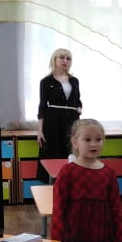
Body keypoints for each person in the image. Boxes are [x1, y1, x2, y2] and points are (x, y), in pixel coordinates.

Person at [37, 47, 82, 182]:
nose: (65, 61)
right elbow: (42, 106)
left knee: (70, 152)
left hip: (72, 122)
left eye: (68, 58)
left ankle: (69, 182)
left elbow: (78, 100)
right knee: (53, 152)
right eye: (61, 58)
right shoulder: (46, 82)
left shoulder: (74, 80)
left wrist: (79, 109)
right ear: (54, 60)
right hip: (52, 122)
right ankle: (52, 184)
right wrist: (40, 131)